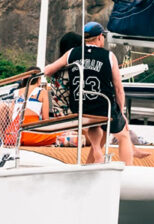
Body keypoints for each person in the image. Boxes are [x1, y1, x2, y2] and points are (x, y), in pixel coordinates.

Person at [43, 21, 134, 165]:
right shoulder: (109, 56)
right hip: (103, 106)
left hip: (79, 106)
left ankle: (97, 152)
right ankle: (128, 170)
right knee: (124, 135)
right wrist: (121, 111)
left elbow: (47, 70)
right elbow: (118, 89)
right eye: (103, 36)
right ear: (99, 37)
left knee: (93, 124)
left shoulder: (72, 53)